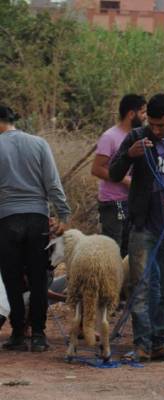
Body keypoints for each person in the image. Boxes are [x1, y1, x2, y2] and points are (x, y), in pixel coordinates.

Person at [109, 94, 164, 363]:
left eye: (161, 126)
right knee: (139, 286)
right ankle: (141, 344)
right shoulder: (135, 138)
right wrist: (129, 156)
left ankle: (160, 342)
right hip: (142, 225)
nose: (155, 131)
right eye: (151, 125)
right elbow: (113, 173)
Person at [0, 105, 71, 352]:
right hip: (37, 218)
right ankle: (39, 335)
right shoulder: (39, 143)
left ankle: (18, 333)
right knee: (39, 278)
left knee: (12, 279)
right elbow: (52, 183)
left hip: (7, 220)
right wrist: (63, 213)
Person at [91, 94, 147, 257]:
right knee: (113, 251)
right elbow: (96, 169)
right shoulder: (110, 137)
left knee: (131, 251)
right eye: (142, 112)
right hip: (112, 203)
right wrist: (124, 179)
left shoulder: (140, 135)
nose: (145, 117)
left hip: (133, 202)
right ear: (131, 114)